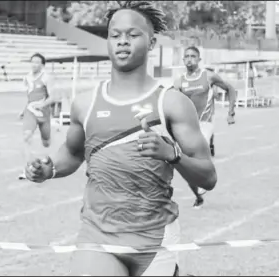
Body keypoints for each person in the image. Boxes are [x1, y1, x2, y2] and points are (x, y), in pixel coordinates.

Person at [24, 2, 217, 276]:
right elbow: (73, 153)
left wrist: (172, 154)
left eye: (132, 34)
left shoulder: (172, 104)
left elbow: (208, 177)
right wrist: (49, 169)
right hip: (98, 234)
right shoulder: (85, 103)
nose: (122, 41)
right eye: (115, 35)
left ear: (151, 43)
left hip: (155, 238)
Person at [174, 46, 237, 209]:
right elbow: (174, 104)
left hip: (205, 123)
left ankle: (206, 169)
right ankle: (198, 196)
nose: (189, 59)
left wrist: (231, 112)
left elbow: (230, 89)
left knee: (197, 151)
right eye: (186, 56)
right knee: (187, 167)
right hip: (186, 126)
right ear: (183, 60)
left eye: (193, 56)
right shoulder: (179, 81)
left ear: (199, 59)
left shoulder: (208, 76)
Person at [18, 53, 59, 180]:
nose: (34, 64)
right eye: (32, 62)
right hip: (30, 111)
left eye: (37, 62)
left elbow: (53, 97)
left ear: (42, 65)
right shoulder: (27, 78)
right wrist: (23, 109)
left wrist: (43, 105)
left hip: (43, 113)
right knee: (27, 136)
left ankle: (50, 160)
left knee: (46, 142)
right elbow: (29, 95)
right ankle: (28, 168)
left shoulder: (47, 78)